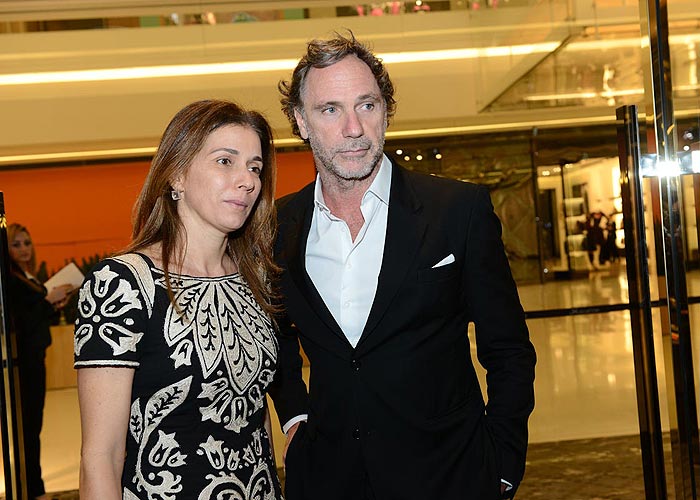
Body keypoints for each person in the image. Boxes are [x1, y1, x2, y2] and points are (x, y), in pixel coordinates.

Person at [269, 32, 536, 500]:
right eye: (330, 109)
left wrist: (502, 463)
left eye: (367, 105)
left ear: (386, 111)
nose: (354, 127)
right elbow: (274, 335)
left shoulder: (457, 211)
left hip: (450, 475)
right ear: (301, 121)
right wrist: (294, 414)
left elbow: (508, 349)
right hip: (329, 479)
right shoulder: (277, 226)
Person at [74, 100, 283, 500]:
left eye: (255, 168)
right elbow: (101, 457)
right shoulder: (121, 284)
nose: (247, 181)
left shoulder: (255, 277)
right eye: (225, 161)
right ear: (176, 174)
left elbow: (255, 420)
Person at [7, 223, 73, 500]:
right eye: (16, 244)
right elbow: (19, 322)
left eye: (27, 243)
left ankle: (32, 486)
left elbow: (32, 317)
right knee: (29, 429)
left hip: (35, 358)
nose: (24, 249)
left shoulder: (26, 277)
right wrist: (48, 301)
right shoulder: (11, 280)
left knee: (33, 427)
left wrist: (51, 306)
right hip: (23, 363)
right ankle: (33, 489)